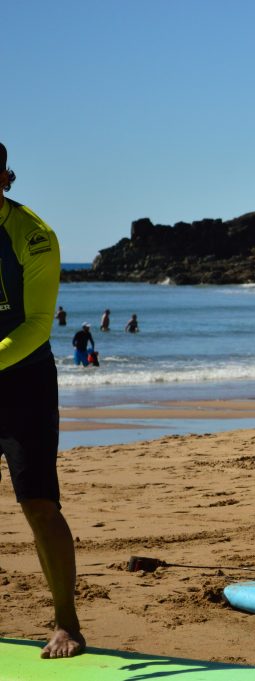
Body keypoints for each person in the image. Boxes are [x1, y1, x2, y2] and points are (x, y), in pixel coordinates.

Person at [0, 142, 85, 657]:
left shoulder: (33, 235)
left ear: (3, 177)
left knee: (39, 505)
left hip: (24, 383)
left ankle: (67, 622)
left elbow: (36, 326)